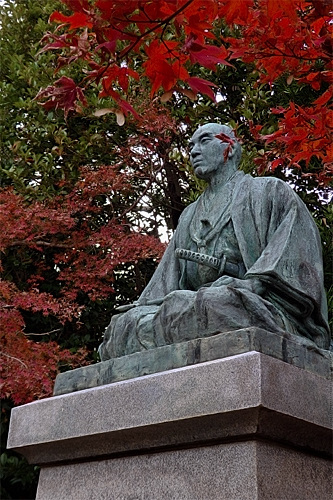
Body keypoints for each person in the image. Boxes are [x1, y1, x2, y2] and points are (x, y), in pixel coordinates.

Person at [99, 123, 330, 360]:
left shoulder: (268, 191)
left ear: (229, 148)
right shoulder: (189, 214)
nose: (193, 152)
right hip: (193, 303)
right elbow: (165, 283)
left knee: (218, 305)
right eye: (190, 146)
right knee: (125, 324)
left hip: (256, 303)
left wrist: (252, 284)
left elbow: (295, 256)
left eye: (204, 141)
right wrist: (145, 308)